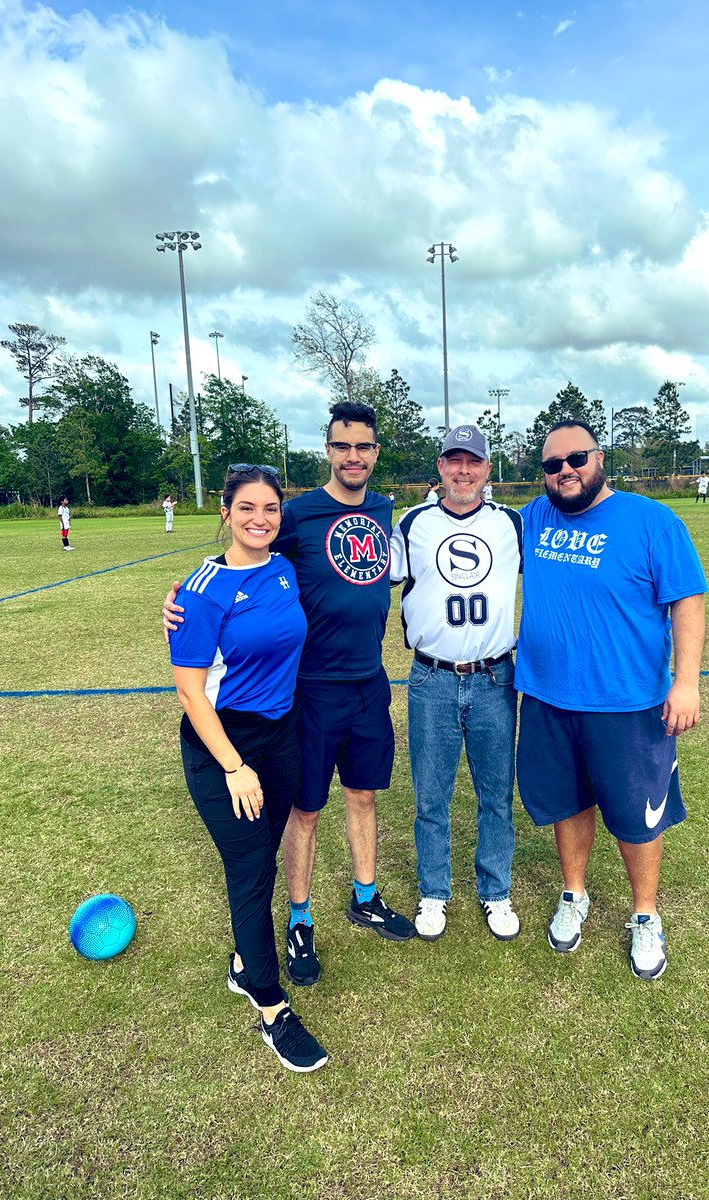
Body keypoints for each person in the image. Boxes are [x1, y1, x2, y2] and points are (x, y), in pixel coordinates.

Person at [164, 402, 415, 992]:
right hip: (311, 690)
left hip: (370, 682)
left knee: (363, 795)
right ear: (327, 450)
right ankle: (300, 919)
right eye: (342, 446)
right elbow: (239, 566)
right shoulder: (296, 514)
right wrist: (179, 600)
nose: (353, 457)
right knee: (306, 808)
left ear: (376, 453)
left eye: (364, 447)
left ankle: (366, 896)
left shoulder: (382, 508)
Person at [514, 420, 708, 980]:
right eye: (552, 465)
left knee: (636, 816)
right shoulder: (531, 520)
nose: (565, 471)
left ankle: (645, 914)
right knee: (569, 802)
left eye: (575, 458)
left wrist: (687, 680)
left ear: (599, 458)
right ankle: (574, 894)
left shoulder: (651, 520)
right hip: (549, 698)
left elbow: (687, 602)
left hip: (627, 703)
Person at [169, 466, 327, 1072]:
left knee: (264, 851)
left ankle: (243, 962)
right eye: (246, 509)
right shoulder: (202, 591)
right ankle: (270, 1006)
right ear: (226, 513)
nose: (259, 519)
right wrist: (234, 766)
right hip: (223, 747)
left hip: (281, 736)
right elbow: (189, 692)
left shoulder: (282, 565)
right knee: (250, 871)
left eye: (270, 508)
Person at [390, 425, 522, 942]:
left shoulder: (512, 523)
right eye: (453, 461)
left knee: (496, 794)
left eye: (474, 462)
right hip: (432, 677)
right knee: (431, 796)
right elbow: (366, 576)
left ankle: (495, 891)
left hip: (495, 677)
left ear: (488, 470)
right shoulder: (413, 522)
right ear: (440, 467)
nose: (463, 471)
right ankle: (434, 892)